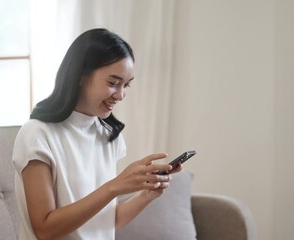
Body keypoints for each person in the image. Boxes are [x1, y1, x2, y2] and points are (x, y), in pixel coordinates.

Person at [12, 28, 180, 240]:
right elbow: (45, 229)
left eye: (126, 85)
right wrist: (114, 187)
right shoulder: (38, 134)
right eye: (113, 83)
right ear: (81, 75)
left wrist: (147, 195)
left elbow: (109, 221)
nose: (120, 95)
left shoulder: (109, 136)